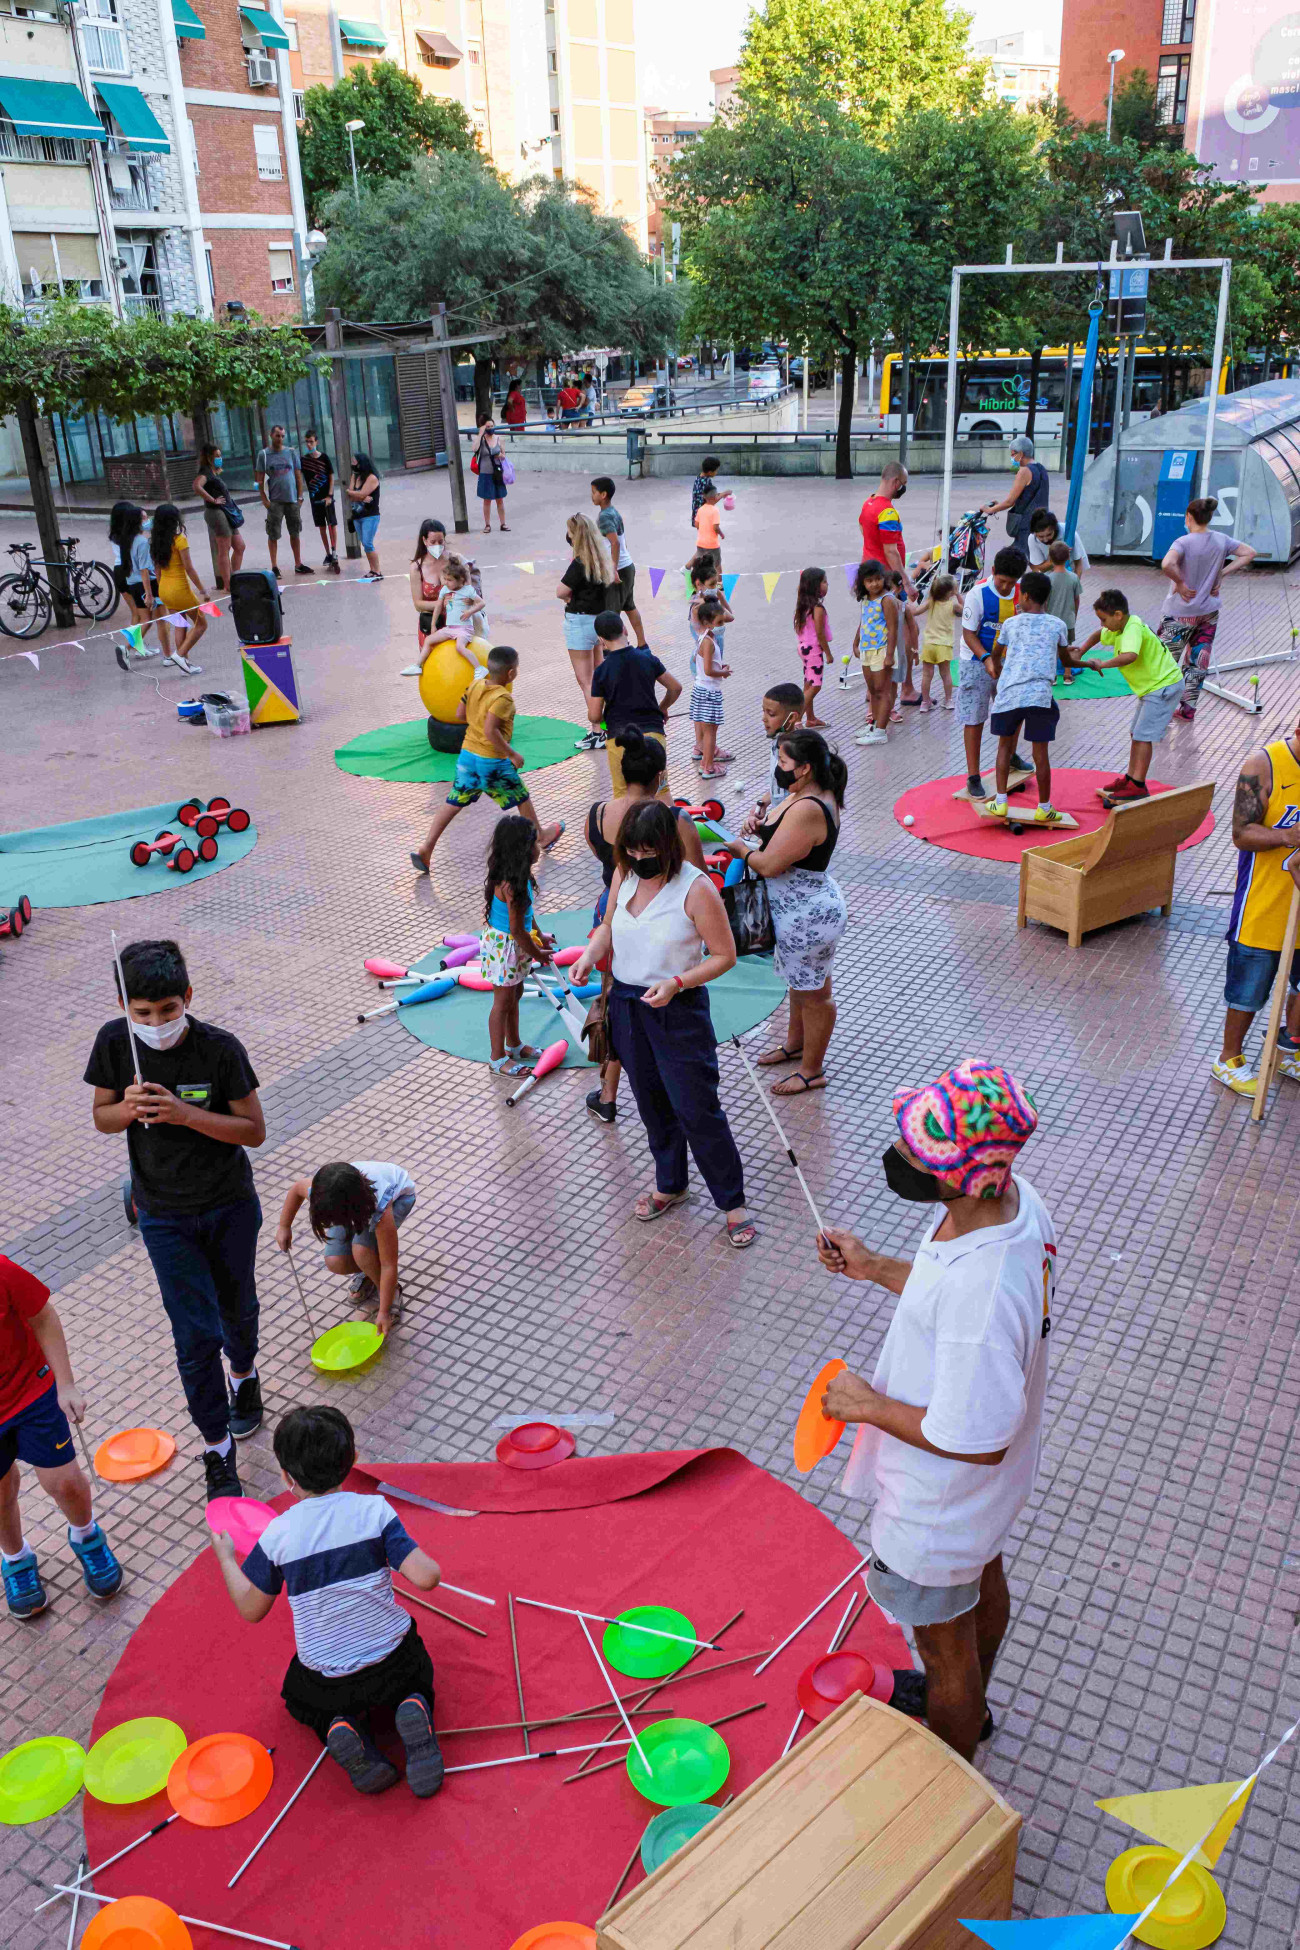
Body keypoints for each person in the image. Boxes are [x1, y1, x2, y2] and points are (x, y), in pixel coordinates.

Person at [815, 1059, 1051, 1761]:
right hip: (980, 1501)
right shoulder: (1013, 1201)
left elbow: (975, 1439)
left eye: (920, 1152)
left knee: (944, 1652)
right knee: (980, 1578)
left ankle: (951, 1769)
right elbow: (948, 1287)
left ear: (965, 1176)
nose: (900, 1156)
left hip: (937, 1504)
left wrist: (867, 1404)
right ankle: (970, 1702)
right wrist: (876, 1267)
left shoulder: (982, 1297)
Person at [84, 939, 266, 1503]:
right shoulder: (115, 1043)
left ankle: (244, 1375)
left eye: (168, 1010)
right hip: (163, 1217)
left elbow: (253, 1130)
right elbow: (101, 1116)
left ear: (188, 996)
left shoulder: (220, 1049)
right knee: (193, 1338)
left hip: (229, 1205)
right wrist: (128, 1109)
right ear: (123, 1006)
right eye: (142, 1013)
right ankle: (216, 1448)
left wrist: (185, 1114)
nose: (156, 1024)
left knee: (238, 1308)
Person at [211, 1405, 445, 1798]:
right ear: (352, 1460)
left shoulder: (278, 1534)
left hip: (330, 1681)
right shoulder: (374, 1511)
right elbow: (427, 1577)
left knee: (299, 1696)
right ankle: (413, 1703)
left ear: (286, 1477)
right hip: (394, 1664)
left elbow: (251, 1610)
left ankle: (338, 1726)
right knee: (418, 1667)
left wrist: (225, 1560)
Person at [572, 801, 755, 1248]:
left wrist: (677, 983)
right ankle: (670, 1183)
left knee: (696, 1107)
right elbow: (607, 927)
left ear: (668, 847)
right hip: (628, 1005)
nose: (639, 860)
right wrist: (589, 955)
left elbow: (725, 955)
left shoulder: (696, 888)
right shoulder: (624, 874)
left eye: (647, 852)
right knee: (651, 1104)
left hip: (678, 1009)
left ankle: (732, 1203)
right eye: (631, 852)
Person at [583, 729, 706, 1125]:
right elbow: (697, 876)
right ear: (660, 776)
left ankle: (608, 1093)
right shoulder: (674, 819)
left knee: (616, 1002)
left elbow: (607, 862)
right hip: (656, 913)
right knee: (646, 1001)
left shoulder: (598, 814)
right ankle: (666, 1086)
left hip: (610, 906)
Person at [719, 729, 848, 1096]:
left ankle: (812, 1071)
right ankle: (795, 1044)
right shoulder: (804, 793)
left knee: (816, 994)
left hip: (808, 915)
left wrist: (741, 849)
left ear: (804, 768)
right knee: (799, 984)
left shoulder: (809, 807)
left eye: (783, 762)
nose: (778, 768)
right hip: (796, 909)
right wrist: (759, 829)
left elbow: (771, 865)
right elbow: (784, 842)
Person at [1, 1254, 123, 1620]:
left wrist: (65, 1384)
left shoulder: (3, 1271)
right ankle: (16, 1559)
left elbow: (43, 1316)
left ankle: (86, 1536)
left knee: (65, 1483)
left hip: (31, 1391)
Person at [411, 646, 564, 870]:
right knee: (521, 796)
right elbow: (491, 731)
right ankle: (541, 836)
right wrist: (512, 754)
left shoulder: (474, 684)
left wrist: (477, 718)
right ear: (511, 673)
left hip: (467, 757)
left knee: (453, 802)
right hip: (491, 761)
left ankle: (426, 848)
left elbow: (460, 714)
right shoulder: (503, 699)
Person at [1211, 715, 1300, 1094]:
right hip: (1263, 904)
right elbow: (1241, 833)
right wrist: (1287, 836)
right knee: (1249, 989)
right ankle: (1228, 1059)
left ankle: (1290, 1049)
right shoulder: (1264, 765)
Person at [1071, 590, 1186, 805]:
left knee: (1143, 736)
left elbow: (1130, 656)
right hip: (1151, 688)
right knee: (1136, 733)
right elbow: (1097, 635)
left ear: (1117, 615)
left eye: (1104, 619)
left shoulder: (1132, 628)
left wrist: (1102, 664)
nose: (1102, 625)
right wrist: (1081, 651)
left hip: (1163, 686)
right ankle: (1131, 779)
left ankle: (1138, 786)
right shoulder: (1119, 626)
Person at [277, 1162, 415, 1335]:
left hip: (397, 1199)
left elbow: (389, 1264)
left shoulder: (380, 1207)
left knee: (362, 1251)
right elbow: (297, 1188)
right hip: (351, 1203)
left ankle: (390, 1290)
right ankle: (370, 1271)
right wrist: (284, 1226)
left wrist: (384, 1312)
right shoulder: (324, 1193)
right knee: (336, 1261)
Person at [1158, 497, 1256, 722]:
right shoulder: (1221, 540)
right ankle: (1187, 709)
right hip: (1208, 613)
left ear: (1189, 517)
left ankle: (1161, 709)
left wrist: (1180, 583)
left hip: (1179, 614)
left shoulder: (1183, 542)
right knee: (1197, 662)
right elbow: (1250, 552)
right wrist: (1222, 573)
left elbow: (1167, 564)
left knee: (1165, 662)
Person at [987, 571, 1072, 822]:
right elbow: (1066, 660)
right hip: (1040, 697)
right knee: (1040, 754)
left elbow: (996, 652)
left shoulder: (1011, 623)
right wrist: (1089, 663)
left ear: (1024, 596)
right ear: (1047, 598)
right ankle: (1044, 808)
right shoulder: (1058, 625)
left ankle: (1000, 802)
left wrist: (997, 668)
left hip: (1009, 695)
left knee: (1004, 747)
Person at [478, 813, 556, 1077]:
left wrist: (540, 935)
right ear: (522, 850)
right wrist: (538, 953)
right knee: (502, 1002)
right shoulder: (511, 884)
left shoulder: (519, 877)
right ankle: (497, 1058)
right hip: (505, 948)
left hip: (512, 945)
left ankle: (514, 1045)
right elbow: (517, 930)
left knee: (516, 994)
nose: (538, 847)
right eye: (534, 843)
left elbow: (526, 914)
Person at [958, 546, 1029, 799]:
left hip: (1010, 663)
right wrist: (987, 659)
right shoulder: (977, 594)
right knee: (975, 718)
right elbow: (968, 634)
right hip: (976, 661)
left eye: (1012, 582)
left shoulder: (1022, 594)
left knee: (1013, 713)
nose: (1006, 587)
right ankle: (973, 776)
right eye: (1002, 581)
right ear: (993, 571)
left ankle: (1009, 757)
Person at [589, 610, 681, 796]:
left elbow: (595, 715)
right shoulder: (647, 658)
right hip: (654, 736)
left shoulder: (601, 671)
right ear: (625, 629)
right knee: (661, 791)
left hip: (620, 740)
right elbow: (675, 687)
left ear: (601, 640)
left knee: (623, 795)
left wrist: (602, 716)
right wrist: (662, 708)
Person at [857, 459, 918, 702]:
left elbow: (865, 533)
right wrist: (907, 582)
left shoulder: (868, 503)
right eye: (903, 484)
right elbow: (891, 551)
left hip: (870, 579)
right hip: (889, 583)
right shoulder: (887, 511)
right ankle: (905, 688)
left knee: (875, 630)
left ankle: (873, 687)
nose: (903, 489)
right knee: (905, 631)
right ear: (895, 482)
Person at [556, 512, 616, 741]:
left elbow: (561, 591)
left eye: (570, 533)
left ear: (577, 535)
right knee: (599, 677)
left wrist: (568, 597)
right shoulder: (601, 558)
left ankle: (597, 731)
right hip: (598, 623)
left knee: (587, 681)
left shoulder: (580, 563)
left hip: (579, 623)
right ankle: (610, 724)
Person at [149, 502, 208, 675]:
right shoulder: (180, 540)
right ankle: (180, 655)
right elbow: (189, 568)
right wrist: (202, 590)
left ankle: (185, 664)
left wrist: (162, 589)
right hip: (180, 590)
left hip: (164, 590)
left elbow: (157, 570)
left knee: (180, 625)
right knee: (201, 624)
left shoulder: (155, 542)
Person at [687, 553, 734, 763]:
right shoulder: (699, 607)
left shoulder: (711, 603)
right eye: (712, 584)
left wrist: (719, 597)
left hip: (710, 659)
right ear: (699, 583)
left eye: (717, 583)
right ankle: (706, 748)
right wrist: (713, 601)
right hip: (703, 661)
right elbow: (725, 617)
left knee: (702, 711)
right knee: (705, 713)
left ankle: (701, 747)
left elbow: (731, 617)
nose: (716, 587)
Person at [406, 555, 487, 676]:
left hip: (464, 629)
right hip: (450, 628)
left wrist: (470, 612)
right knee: (428, 640)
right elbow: (438, 607)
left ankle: (479, 668)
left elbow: (482, 603)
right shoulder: (445, 590)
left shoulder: (468, 590)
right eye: (445, 579)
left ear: (460, 580)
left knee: (460, 647)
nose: (445, 582)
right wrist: (433, 625)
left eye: (449, 580)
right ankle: (418, 666)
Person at [590, 476, 647, 648]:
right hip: (627, 566)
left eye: (594, 492)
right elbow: (622, 541)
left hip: (619, 570)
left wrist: (613, 570)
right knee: (629, 607)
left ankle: (616, 649)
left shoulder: (605, 517)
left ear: (603, 495)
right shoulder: (613, 512)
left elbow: (615, 543)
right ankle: (642, 644)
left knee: (611, 614)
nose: (592, 496)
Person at [742, 682, 805, 833]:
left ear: (792, 718)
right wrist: (764, 802)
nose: (764, 719)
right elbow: (780, 785)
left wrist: (768, 822)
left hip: (793, 822)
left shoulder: (798, 751)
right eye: (763, 712)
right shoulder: (778, 740)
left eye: (771, 714)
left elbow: (799, 794)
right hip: (779, 816)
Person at [850, 559, 899, 747]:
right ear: (863, 582)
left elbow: (893, 629)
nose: (874, 584)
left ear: (883, 578)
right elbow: (863, 622)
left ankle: (880, 731)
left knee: (882, 690)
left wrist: (889, 655)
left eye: (878, 579)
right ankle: (874, 725)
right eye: (869, 581)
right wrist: (856, 642)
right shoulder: (865, 599)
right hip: (867, 649)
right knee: (872, 691)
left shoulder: (887, 600)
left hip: (882, 649)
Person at [108, 501, 160, 669]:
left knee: (137, 614)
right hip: (132, 574)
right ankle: (133, 647)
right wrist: (149, 593)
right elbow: (143, 568)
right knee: (141, 616)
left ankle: (138, 646)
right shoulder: (134, 538)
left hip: (124, 572)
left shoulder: (118, 534)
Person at [981, 435, 1050, 556]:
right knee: (1035, 556)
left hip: (1026, 524)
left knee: (1015, 558)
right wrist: (999, 505)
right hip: (1042, 521)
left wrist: (990, 509)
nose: (1012, 458)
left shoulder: (1024, 471)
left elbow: (1010, 501)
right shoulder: (1041, 469)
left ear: (1021, 454)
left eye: (1013, 454)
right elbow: (1027, 496)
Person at [256, 424, 306, 580]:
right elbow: (259, 480)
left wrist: (300, 497)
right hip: (275, 502)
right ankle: (274, 566)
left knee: (295, 532)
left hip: (292, 500)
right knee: (273, 534)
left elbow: (298, 476)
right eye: (277, 435)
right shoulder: (264, 455)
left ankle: (298, 564)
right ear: (271, 435)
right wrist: (265, 500)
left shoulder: (291, 452)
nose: (280, 438)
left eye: (283, 436)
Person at [192, 444, 245, 592]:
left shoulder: (213, 473)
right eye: (217, 456)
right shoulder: (206, 472)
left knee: (240, 546)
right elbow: (196, 486)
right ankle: (228, 584)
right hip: (216, 512)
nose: (220, 458)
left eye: (220, 455)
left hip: (227, 512)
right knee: (224, 548)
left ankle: (235, 578)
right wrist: (212, 500)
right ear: (209, 458)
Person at [690, 596, 730, 779]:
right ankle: (708, 767)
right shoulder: (708, 642)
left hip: (701, 690)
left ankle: (705, 764)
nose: (723, 625)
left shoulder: (704, 636)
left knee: (709, 731)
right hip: (709, 692)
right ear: (707, 623)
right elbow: (708, 670)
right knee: (711, 732)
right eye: (719, 622)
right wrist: (723, 672)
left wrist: (719, 666)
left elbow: (700, 662)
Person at [406, 517, 448, 666]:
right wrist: (441, 604)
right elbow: (418, 604)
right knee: (432, 667)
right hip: (431, 625)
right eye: (433, 542)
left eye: (441, 541)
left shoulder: (453, 560)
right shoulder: (417, 567)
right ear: (424, 541)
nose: (437, 546)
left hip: (455, 624)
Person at [793, 567, 832, 729]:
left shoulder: (804, 606)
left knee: (809, 682)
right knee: (815, 685)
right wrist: (828, 653)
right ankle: (795, 719)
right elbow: (820, 633)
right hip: (813, 650)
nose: (827, 585)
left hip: (804, 648)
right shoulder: (817, 608)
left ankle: (811, 718)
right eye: (824, 582)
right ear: (815, 586)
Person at [913, 572, 957, 712]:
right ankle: (948, 700)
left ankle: (925, 702)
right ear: (950, 592)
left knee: (927, 675)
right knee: (946, 674)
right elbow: (967, 611)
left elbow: (915, 611)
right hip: (944, 645)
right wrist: (959, 596)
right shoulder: (953, 605)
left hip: (929, 644)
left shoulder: (931, 602)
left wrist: (908, 603)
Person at [1042, 541, 1082, 685]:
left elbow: (1044, 601)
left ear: (1050, 558)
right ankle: (1067, 675)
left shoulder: (1047, 579)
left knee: (1051, 648)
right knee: (1067, 648)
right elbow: (1076, 599)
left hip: (1051, 620)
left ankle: (1052, 677)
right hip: (1068, 620)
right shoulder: (1074, 578)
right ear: (1067, 558)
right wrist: (1074, 615)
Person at [300, 429, 339, 572]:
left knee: (332, 524)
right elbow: (298, 475)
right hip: (315, 499)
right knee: (322, 527)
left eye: (311, 442)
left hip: (327, 498)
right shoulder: (304, 460)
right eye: (307, 442)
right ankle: (328, 553)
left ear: (316, 442)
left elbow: (331, 476)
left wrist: (330, 495)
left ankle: (335, 551)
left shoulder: (324, 457)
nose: (309, 444)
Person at [344, 453, 382, 578]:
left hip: (370, 516)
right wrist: (358, 495)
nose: (353, 465)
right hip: (357, 516)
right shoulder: (355, 476)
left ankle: (377, 571)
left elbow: (359, 494)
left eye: (355, 462)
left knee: (368, 543)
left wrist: (353, 493)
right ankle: (372, 570)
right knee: (365, 545)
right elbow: (351, 496)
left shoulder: (372, 478)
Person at [1026, 508, 1088, 577]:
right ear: (1034, 533)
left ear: (1054, 529)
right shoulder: (1032, 539)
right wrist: (1054, 560)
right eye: (1041, 536)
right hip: (1049, 572)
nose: (1045, 540)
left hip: (1071, 569)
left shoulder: (1069, 533)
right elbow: (1039, 567)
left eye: (1049, 535)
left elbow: (1078, 563)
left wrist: (1075, 581)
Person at [473, 417, 509, 534]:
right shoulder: (482, 440)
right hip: (485, 473)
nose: (490, 428)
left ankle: (503, 523)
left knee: (500, 499)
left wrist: (500, 456)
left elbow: (504, 456)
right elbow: (474, 449)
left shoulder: (499, 439)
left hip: (497, 473)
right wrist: (480, 434)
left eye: (491, 426)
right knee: (487, 500)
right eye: (487, 427)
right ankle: (487, 525)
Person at [693, 484, 724, 569]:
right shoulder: (715, 510)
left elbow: (696, 524)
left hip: (701, 543)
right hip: (712, 545)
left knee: (700, 565)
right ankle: (719, 578)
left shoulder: (700, 509)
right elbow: (715, 527)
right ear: (715, 497)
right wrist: (721, 534)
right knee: (717, 566)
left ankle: (699, 577)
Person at [691, 454, 721, 528]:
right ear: (710, 472)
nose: (716, 472)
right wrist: (725, 494)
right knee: (707, 532)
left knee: (702, 532)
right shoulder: (707, 481)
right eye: (716, 471)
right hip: (704, 514)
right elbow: (712, 499)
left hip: (696, 513)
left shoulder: (698, 477)